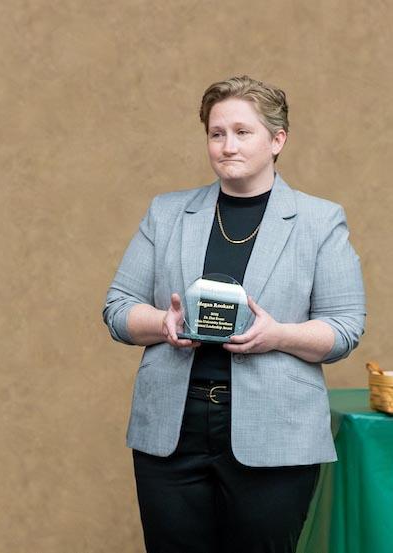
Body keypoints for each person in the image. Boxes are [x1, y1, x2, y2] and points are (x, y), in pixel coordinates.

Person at [102, 76, 365, 553]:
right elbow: (118, 309)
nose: (227, 146)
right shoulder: (166, 213)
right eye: (216, 133)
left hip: (276, 431)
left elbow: (344, 328)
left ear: (277, 140)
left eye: (243, 132)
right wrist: (163, 323)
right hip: (171, 429)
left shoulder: (320, 221)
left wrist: (278, 335)